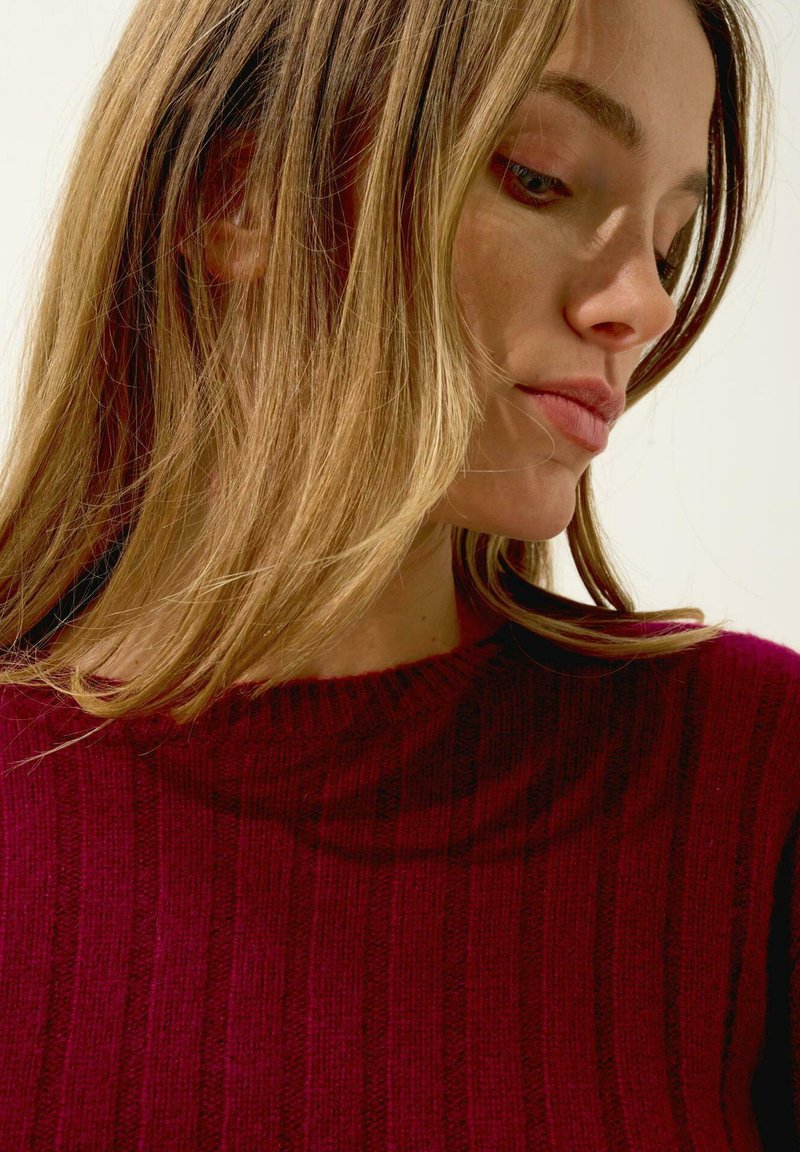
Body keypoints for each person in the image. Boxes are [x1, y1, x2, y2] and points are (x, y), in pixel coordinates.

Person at [0, 0, 797, 1147]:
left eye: (669, 243)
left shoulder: (755, 784)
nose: (644, 304)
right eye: (538, 178)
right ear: (235, 198)